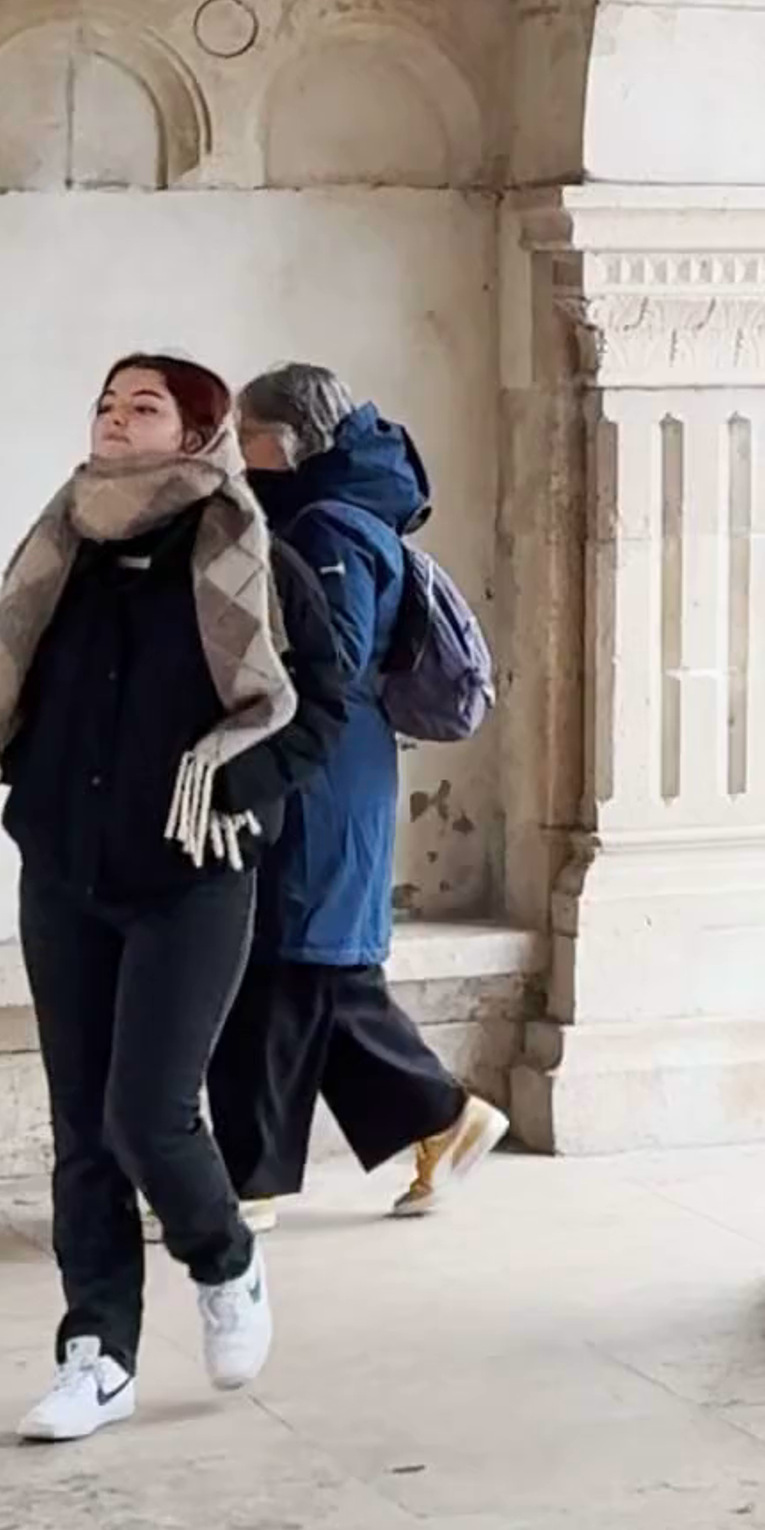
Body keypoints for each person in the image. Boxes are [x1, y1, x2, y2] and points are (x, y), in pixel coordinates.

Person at [0, 350, 301, 1440]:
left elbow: (311, 704)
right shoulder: (64, 539)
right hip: (67, 868)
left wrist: (238, 780)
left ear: (197, 431)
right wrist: (30, 774)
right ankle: (97, 1352)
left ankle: (225, 1259)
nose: (117, 419)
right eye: (106, 401)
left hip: (192, 871)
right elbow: (16, 670)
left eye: (146, 406)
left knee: (148, 1113)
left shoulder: (245, 544)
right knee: (81, 1126)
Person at [212, 365, 506, 1222]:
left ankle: (251, 1184)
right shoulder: (326, 512)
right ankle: (442, 1118)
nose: (237, 450)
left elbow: (327, 660)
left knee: (288, 969)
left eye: (248, 431)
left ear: (290, 438)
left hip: (323, 777)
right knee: (313, 974)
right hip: (325, 771)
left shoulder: (329, 524)